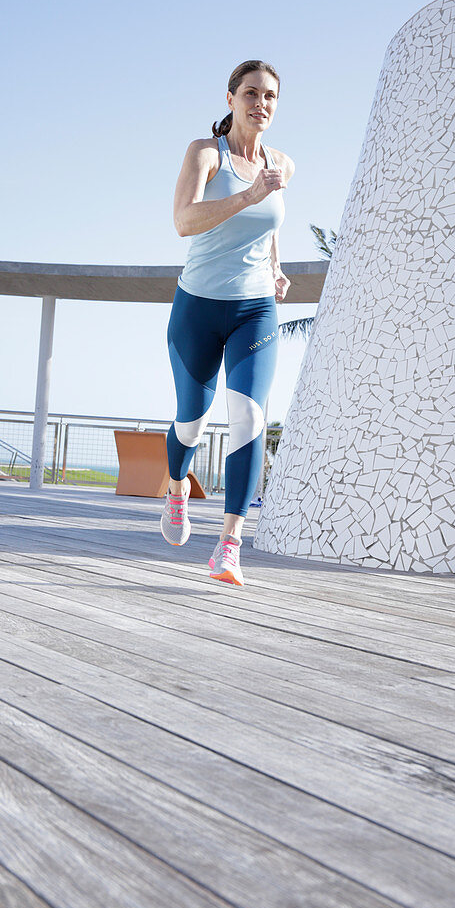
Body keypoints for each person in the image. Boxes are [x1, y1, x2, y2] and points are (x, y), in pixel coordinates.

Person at [160, 59, 293, 586]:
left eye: (271, 97)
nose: (262, 104)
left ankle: (230, 545)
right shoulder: (205, 154)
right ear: (231, 97)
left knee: (249, 418)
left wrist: (277, 266)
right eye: (252, 93)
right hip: (198, 306)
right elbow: (182, 222)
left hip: (255, 308)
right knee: (192, 418)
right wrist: (247, 195)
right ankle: (176, 490)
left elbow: (272, 219)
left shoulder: (282, 163)